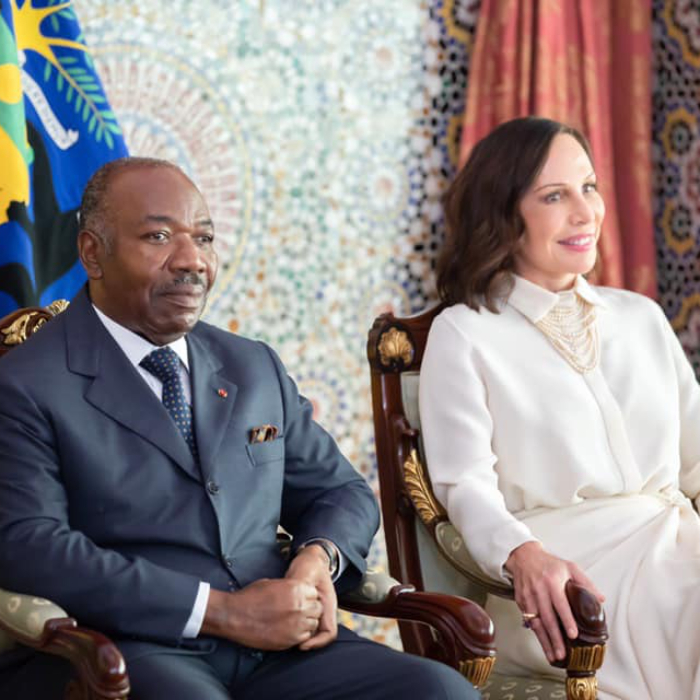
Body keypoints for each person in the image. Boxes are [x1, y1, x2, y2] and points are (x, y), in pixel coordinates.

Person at [0, 157, 478, 700]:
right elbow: (31, 546)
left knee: (440, 692)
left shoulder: (252, 366)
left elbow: (341, 492)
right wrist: (221, 611)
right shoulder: (26, 383)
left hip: (281, 647)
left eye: (204, 238)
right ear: (92, 253)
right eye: (158, 236)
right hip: (129, 647)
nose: (192, 260)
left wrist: (315, 561)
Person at [419, 116, 700, 700]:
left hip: (677, 552)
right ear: (503, 214)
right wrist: (522, 554)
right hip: (567, 588)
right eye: (554, 196)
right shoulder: (465, 332)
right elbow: (463, 485)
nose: (584, 212)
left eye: (589, 187)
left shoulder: (642, 318)